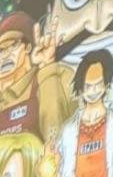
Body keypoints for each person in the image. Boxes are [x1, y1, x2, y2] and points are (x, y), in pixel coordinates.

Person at [0, 11, 73, 139]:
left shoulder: (57, 75)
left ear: (28, 47)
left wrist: (48, 69)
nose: (5, 56)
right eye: (1, 50)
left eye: (12, 46)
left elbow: (58, 138)